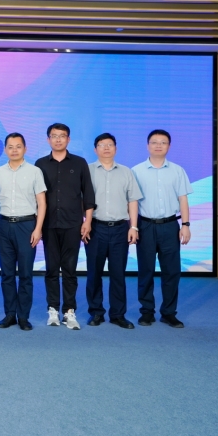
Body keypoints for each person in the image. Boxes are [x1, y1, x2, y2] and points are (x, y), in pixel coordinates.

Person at [35, 123, 96, 331]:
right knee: (51, 269)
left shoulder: (79, 163)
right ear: (48, 139)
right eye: (54, 136)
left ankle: (69, 311)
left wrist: (87, 221)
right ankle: (53, 309)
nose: (58, 139)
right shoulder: (40, 164)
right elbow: (36, 197)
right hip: (49, 225)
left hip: (72, 224)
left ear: (68, 139)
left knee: (70, 270)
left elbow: (88, 194)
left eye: (62, 136)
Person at [132, 129, 193, 328]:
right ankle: (146, 312)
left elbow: (183, 199)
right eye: (154, 142)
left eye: (163, 142)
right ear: (147, 145)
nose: (158, 145)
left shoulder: (177, 170)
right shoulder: (136, 171)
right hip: (145, 226)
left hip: (169, 226)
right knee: (146, 271)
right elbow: (132, 202)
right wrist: (133, 227)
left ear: (169, 146)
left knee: (171, 272)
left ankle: (169, 313)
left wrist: (185, 225)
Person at [85, 133, 142, 330]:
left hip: (120, 229)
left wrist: (133, 226)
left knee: (118, 274)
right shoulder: (87, 171)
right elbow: (80, 199)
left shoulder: (126, 172)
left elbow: (132, 200)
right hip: (95, 228)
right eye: (102, 145)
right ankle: (96, 312)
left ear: (116, 148)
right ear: (95, 149)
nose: (106, 148)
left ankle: (118, 314)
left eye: (110, 144)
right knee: (94, 273)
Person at [0, 133, 47, 331]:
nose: (14, 150)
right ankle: (9, 314)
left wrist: (38, 229)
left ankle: (23, 316)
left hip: (27, 226)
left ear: (25, 149)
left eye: (18, 146)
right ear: (5, 149)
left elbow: (42, 203)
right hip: (4, 225)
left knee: (25, 274)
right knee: (6, 274)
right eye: (10, 147)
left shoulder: (35, 172)